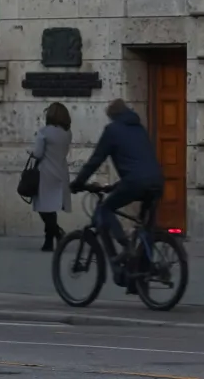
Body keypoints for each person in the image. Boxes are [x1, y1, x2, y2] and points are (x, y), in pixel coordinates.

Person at [69, 98, 164, 282]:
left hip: (135, 182)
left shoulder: (112, 131)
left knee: (105, 209)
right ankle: (141, 272)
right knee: (146, 229)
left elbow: (95, 161)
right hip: (156, 181)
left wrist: (78, 183)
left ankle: (125, 245)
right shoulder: (139, 129)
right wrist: (115, 186)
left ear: (112, 116)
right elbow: (138, 164)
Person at [29, 102, 73, 252]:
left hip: (46, 173)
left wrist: (31, 153)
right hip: (60, 172)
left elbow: (39, 153)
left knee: (44, 208)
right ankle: (51, 239)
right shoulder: (68, 134)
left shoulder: (44, 132)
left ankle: (55, 234)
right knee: (51, 207)